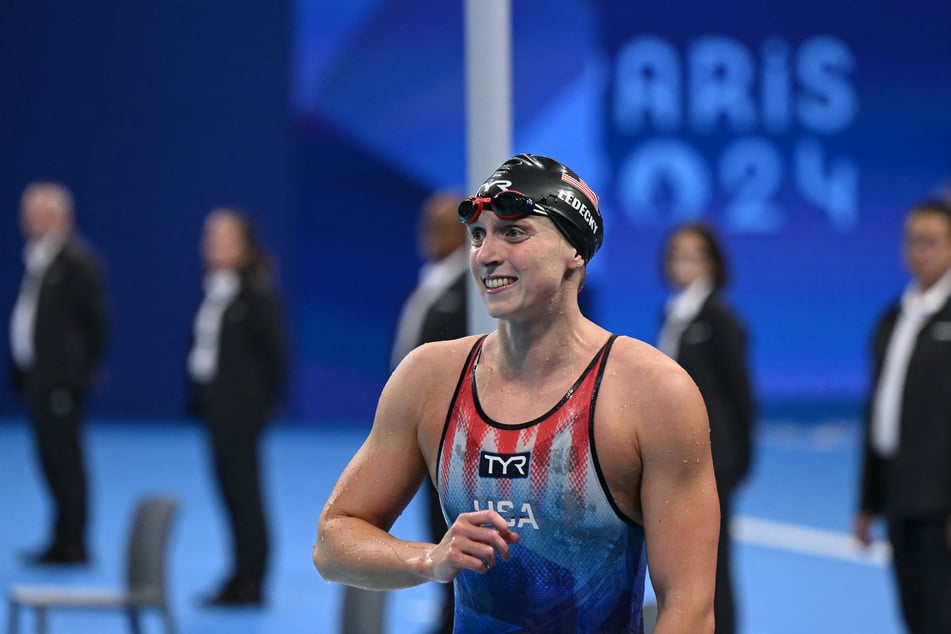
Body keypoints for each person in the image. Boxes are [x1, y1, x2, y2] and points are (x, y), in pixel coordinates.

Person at [313, 154, 720, 632]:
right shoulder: (429, 378)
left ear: (575, 251)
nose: (486, 253)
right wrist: (430, 558)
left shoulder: (653, 393)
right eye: (479, 235)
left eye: (514, 232)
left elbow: (689, 608)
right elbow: (333, 542)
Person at [341, 189, 467, 634]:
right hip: (421, 427)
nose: (428, 235)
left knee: (452, 521)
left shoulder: (470, 285)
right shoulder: (435, 280)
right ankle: (446, 610)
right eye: (426, 225)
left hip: (453, 429)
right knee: (434, 521)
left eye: (440, 226)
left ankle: (456, 614)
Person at [854, 198, 951, 633]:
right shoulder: (893, 317)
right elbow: (880, 412)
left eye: (930, 241)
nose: (919, 251)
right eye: (912, 241)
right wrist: (867, 501)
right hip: (899, 494)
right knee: (914, 614)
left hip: (941, 500)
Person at [657, 222, 755, 634]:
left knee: (713, 564)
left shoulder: (720, 319)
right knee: (681, 563)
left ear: (713, 264)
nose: (684, 263)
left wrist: (736, 464)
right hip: (677, 460)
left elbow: (740, 395)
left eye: (694, 255)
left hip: (713, 462)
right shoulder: (672, 314)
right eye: (677, 253)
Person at [187, 207, 288, 607]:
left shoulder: (256, 296)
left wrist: (259, 408)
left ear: (245, 248)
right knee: (229, 493)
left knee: (245, 495)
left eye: (223, 238)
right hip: (216, 411)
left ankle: (252, 579)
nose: (212, 245)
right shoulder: (216, 290)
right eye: (209, 237)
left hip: (241, 414)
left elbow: (275, 357)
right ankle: (238, 573)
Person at [8, 181, 109, 565]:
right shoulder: (39, 258)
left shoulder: (76, 261)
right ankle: (60, 536)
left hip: (62, 380)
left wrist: (81, 368)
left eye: (38, 214)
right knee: (49, 457)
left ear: (62, 217)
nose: (28, 221)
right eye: (26, 213)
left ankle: (74, 541)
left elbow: (97, 321)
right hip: (39, 377)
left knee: (65, 458)